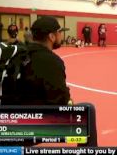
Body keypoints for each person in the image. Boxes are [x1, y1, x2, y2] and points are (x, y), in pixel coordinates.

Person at [19, 16, 98, 146]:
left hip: (3, 121)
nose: (61, 35)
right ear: (52, 36)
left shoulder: (20, 53)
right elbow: (60, 100)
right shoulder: (50, 61)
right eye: (60, 32)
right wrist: (69, 100)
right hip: (28, 125)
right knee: (87, 112)